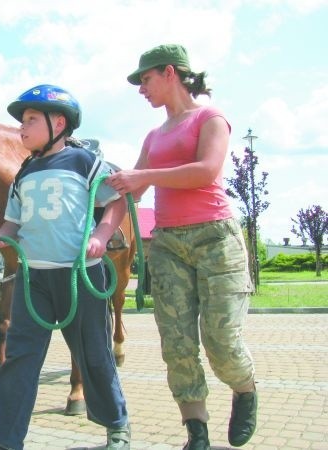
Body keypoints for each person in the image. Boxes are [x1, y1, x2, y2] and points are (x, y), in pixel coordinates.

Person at [107, 44, 257, 449]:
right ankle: (197, 433)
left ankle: (244, 389)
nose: (141, 89)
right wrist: (102, 211)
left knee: (220, 341)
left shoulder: (211, 118)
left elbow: (206, 170)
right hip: (168, 245)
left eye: (145, 79)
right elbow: (131, 191)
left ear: (170, 72)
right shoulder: (154, 135)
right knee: (177, 344)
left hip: (214, 237)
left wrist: (144, 175)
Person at [0, 84, 131, 450]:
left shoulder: (83, 162)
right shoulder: (24, 172)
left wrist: (103, 232)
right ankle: (5, 438)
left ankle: (117, 426)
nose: (22, 127)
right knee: (20, 357)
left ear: (58, 122)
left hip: (80, 274)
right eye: (22, 121)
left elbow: (117, 200)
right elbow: (13, 222)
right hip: (34, 281)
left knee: (94, 353)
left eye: (31, 119)